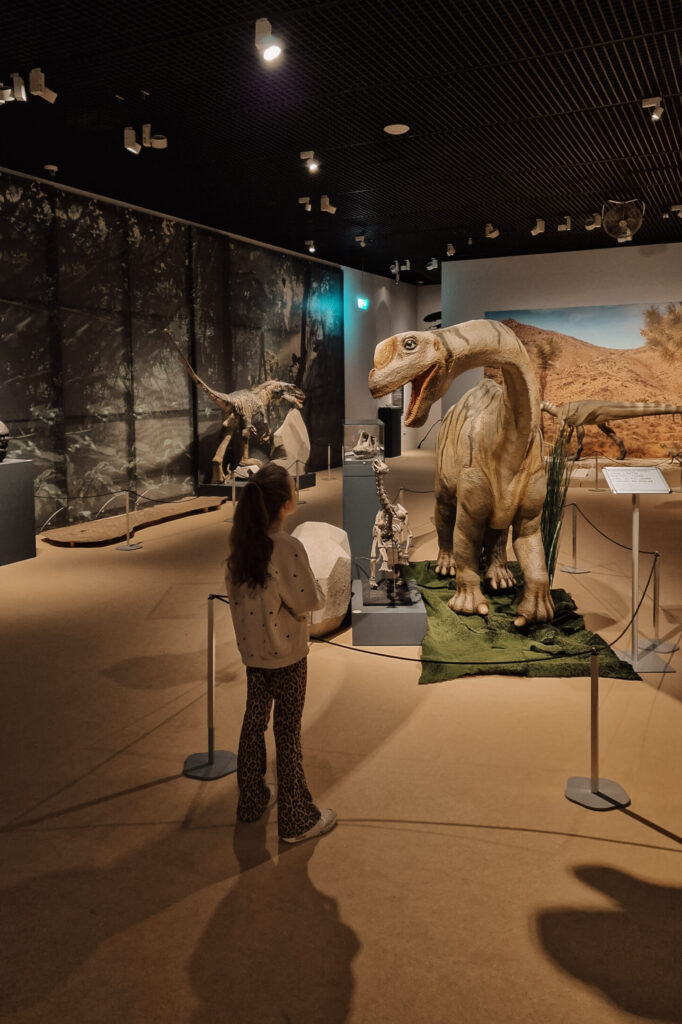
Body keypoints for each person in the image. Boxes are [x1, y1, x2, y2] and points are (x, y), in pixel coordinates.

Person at [225, 462, 337, 844]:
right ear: (285, 502)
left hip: (253, 657)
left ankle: (251, 800)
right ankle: (295, 818)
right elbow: (308, 600)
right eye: (293, 485)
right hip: (287, 657)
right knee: (288, 733)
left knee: (253, 724)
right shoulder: (287, 548)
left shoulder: (241, 546)